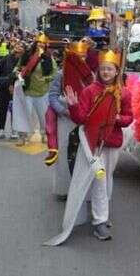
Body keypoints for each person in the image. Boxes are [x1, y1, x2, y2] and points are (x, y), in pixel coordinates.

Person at [45, 49, 132, 244]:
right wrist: (74, 106)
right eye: (103, 69)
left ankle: (101, 214)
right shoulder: (89, 91)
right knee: (98, 181)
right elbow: (81, 119)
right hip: (91, 145)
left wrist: (116, 118)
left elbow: (129, 117)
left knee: (105, 179)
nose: (106, 72)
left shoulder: (123, 93)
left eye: (110, 69)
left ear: (116, 71)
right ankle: (99, 221)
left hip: (111, 143)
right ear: (99, 70)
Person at [45, 41, 96, 197]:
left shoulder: (91, 75)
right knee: (64, 152)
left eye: (83, 56)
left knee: (84, 154)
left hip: (84, 120)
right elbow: (52, 97)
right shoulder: (61, 74)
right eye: (77, 56)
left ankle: (83, 190)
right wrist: (63, 110)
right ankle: (64, 189)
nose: (80, 59)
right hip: (65, 120)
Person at [13, 33, 57, 146]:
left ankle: (45, 134)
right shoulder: (27, 55)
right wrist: (18, 73)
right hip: (27, 90)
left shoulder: (49, 58)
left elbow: (54, 74)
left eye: (43, 43)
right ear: (35, 43)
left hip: (42, 91)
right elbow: (17, 68)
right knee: (24, 113)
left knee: (43, 116)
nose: (41, 45)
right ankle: (22, 136)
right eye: (39, 42)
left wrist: (45, 79)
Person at [0, 41, 24, 140]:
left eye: (21, 46)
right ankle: (1, 130)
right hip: (4, 87)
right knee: (3, 109)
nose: (18, 47)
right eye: (17, 45)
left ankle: (14, 130)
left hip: (17, 89)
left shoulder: (24, 61)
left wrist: (14, 85)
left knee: (15, 110)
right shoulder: (7, 58)